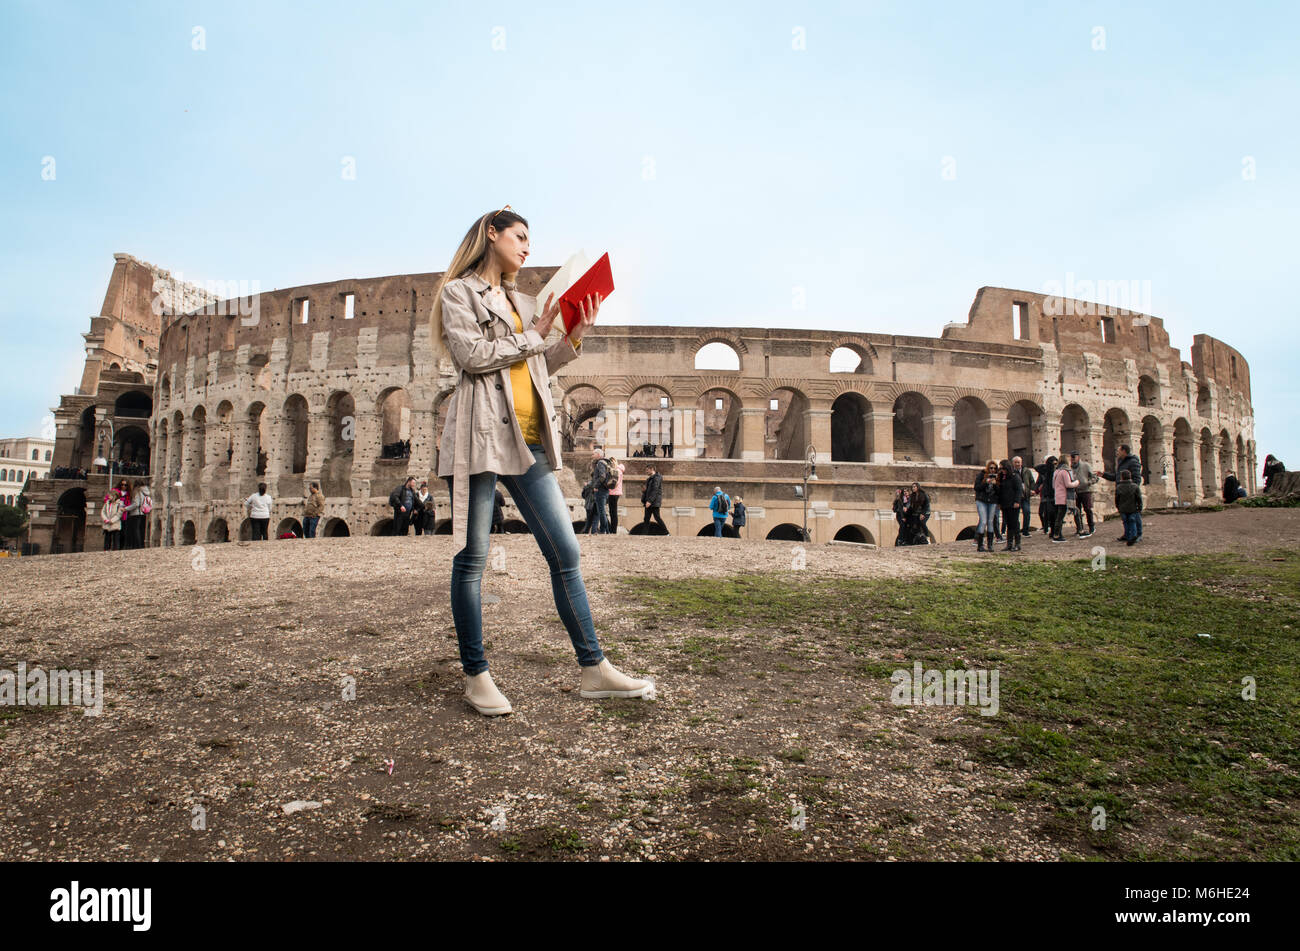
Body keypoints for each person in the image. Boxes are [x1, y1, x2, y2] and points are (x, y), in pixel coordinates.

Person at [433, 204, 652, 716]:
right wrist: (534, 334)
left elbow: (535, 361)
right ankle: (476, 675)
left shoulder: (522, 301)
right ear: (492, 234)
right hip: (480, 435)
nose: (528, 247)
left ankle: (594, 669)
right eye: (521, 236)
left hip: (529, 440)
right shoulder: (458, 293)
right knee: (473, 558)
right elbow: (472, 357)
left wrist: (572, 334)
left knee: (566, 552)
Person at [1050, 457, 1079, 542]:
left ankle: (1080, 530)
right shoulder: (1064, 472)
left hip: (1058, 496)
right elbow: (1068, 484)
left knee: (1061, 516)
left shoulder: (1056, 471)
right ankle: (1056, 535)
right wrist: (1077, 482)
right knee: (1060, 516)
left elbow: (1053, 485)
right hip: (1064, 497)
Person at [973, 460, 1000, 553]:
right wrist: (986, 483)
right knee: (983, 520)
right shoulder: (981, 475)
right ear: (988, 468)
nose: (992, 470)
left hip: (992, 501)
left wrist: (995, 484)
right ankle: (980, 545)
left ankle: (990, 545)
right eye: (991, 468)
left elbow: (999, 491)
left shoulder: (998, 477)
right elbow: (976, 487)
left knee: (990, 521)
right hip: (982, 500)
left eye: (994, 468)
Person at [1070, 450, 1097, 537]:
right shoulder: (1070, 468)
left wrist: (1089, 482)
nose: (1072, 459)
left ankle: (1091, 527)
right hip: (1075, 491)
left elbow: (1094, 477)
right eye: (1071, 457)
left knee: (1088, 509)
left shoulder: (1086, 465)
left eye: (1074, 457)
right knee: (1076, 511)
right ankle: (1079, 528)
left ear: (1078, 457)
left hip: (1086, 490)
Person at [997, 459, 1022, 552]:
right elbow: (1000, 491)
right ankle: (1009, 544)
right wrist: (999, 503)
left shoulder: (1015, 477)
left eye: (1003, 468)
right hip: (1005, 504)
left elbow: (1019, 490)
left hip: (1013, 503)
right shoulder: (1002, 477)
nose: (1002, 470)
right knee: (1008, 524)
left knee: (1015, 523)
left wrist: (1017, 501)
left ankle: (1017, 543)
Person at [1115, 470, 1143, 545]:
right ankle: (1133, 537)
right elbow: (1139, 498)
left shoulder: (1119, 487)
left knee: (1125, 523)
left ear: (1122, 477)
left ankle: (1127, 536)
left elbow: (1117, 499)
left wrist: (1118, 507)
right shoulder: (1135, 486)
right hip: (1133, 508)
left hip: (1123, 509)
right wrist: (1140, 507)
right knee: (1132, 521)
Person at [588, 448, 611, 534]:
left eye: (593, 454)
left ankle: (603, 531)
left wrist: (595, 486)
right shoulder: (604, 462)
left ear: (598, 455)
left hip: (600, 490)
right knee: (602, 511)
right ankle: (607, 531)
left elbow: (602, 476)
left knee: (601, 512)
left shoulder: (600, 463)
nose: (592, 456)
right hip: (604, 490)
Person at [641, 463, 667, 533]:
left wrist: (649, 501)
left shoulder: (657, 478)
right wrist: (644, 491)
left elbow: (655, 490)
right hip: (649, 502)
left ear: (652, 469)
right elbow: (649, 490)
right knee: (646, 519)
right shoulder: (650, 479)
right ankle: (644, 534)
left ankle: (666, 532)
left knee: (657, 518)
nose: (646, 472)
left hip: (654, 502)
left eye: (647, 470)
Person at [1013, 456, 1034, 537]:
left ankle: (1025, 531)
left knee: (1027, 512)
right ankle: (1016, 531)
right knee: (1015, 515)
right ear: (1013, 463)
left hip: (1025, 496)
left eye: (1019, 462)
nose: (1017, 464)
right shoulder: (1012, 472)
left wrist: (1032, 489)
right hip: (1016, 497)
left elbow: (1032, 481)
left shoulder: (1027, 471)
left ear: (1021, 463)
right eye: (1016, 462)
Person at [1035, 457, 1055, 535]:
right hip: (1045, 494)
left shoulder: (1056, 471)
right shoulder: (1044, 472)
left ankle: (1051, 529)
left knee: (1050, 513)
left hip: (1053, 494)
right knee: (1042, 512)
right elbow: (1037, 468)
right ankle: (1045, 527)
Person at [607, 456, 625, 534]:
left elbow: (615, 483)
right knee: (612, 512)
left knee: (613, 512)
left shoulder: (617, 471)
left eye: (611, 463)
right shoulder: (619, 470)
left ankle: (613, 530)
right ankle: (612, 530)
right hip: (615, 493)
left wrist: (607, 485)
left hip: (614, 493)